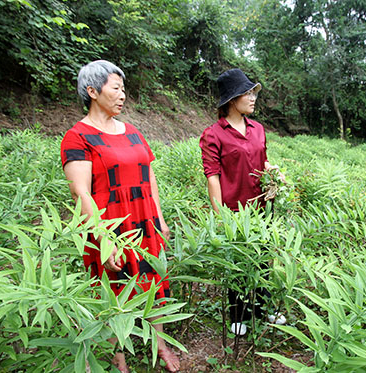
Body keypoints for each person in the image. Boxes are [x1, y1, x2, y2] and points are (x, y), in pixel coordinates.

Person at [60, 60, 180, 372]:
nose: (122, 95)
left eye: (123, 89)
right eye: (116, 88)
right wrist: (103, 238)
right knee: (113, 293)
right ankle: (118, 361)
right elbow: (80, 192)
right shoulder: (77, 137)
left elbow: (149, 176)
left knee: (155, 284)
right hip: (109, 225)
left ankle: (161, 345)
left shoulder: (134, 132)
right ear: (92, 91)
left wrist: (161, 218)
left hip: (144, 219)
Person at [199, 68, 285, 336]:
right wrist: (220, 216)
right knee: (237, 262)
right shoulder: (214, 134)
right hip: (234, 210)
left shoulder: (258, 129)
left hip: (262, 207)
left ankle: (262, 308)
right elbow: (212, 177)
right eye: (246, 93)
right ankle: (238, 313)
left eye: (252, 92)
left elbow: (263, 161)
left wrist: (275, 176)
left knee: (263, 259)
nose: (253, 97)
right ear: (231, 100)